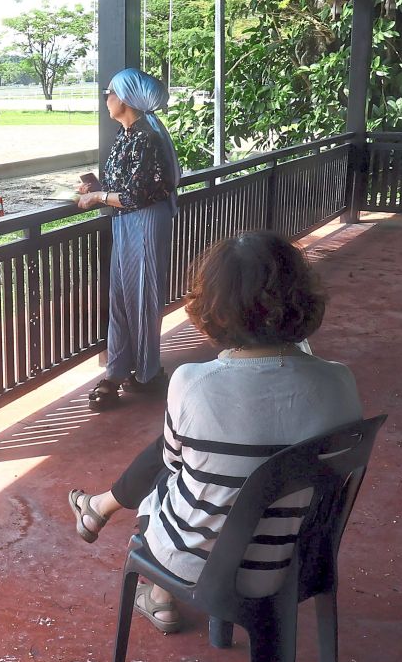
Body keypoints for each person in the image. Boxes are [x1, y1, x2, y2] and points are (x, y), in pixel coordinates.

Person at [67, 231, 362, 633]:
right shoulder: (339, 382)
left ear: (215, 308)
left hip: (201, 563)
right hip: (299, 562)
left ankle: (158, 593)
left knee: (173, 467)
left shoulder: (194, 382)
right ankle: (101, 511)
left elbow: (171, 464)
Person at [77, 68, 180, 411]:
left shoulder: (146, 137)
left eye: (108, 93)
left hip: (145, 222)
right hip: (128, 221)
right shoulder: (129, 133)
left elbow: (137, 194)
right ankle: (118, 370)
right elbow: (124, 185)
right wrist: (97, 188)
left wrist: (97, 199)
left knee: (143, 299)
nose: (105, 99)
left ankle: (147, 373)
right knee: (122, 297)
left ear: (123, 98)